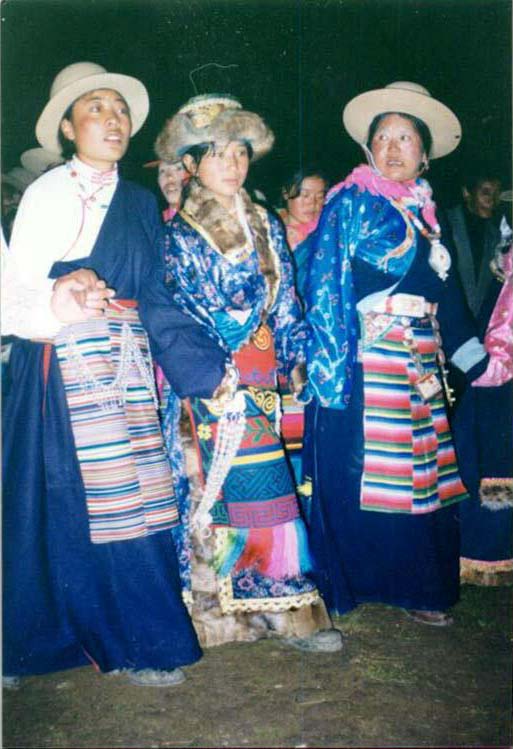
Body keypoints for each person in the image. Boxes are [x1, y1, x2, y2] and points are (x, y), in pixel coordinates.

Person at [2, 62, 230, 689]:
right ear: (68, 128)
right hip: (63, 367)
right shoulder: (49, 194)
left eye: (120, 110)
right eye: (95, 109)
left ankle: (140, 635)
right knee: (73, 502)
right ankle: (37, 643)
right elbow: (13, 294)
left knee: (140, 501)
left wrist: (203, 369)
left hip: (127, 365)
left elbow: (154, 297)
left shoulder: (139, 202)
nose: (113, 120)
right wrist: (61, 297)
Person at [153, 94, 341, 651]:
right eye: (217, 154)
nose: (232, 165)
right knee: (211, 496)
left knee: (271, 492)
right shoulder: (178, 234)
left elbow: (286, 302)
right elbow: (185, 309)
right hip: (214, 381)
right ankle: (217, 619)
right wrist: (220, 368)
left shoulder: (264, 221)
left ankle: (285, 612)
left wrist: (294, 359)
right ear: (191, 164)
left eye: (240, 153)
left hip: (262, 376)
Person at [301, 81, 493, 627]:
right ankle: (355, 584)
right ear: (368, 149)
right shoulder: (351, 203)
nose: (391, 147)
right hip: (366, 361)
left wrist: (473, 360)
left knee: (420, 473)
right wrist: (332, 373)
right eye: (382, 137)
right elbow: (324, 285)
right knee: (365, 472)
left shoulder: (426, 215)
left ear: (424, 152)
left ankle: (418, 586)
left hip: (421, 362)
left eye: (404, 137)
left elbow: (447, 298)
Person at [454, 222, 513, 585]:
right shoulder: (503, 263)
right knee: (484, 458)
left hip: (497, 376)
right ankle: (482, 553)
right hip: (493, 377)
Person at [276, 168, 329, 497]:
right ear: (286, 193)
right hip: (278, 344)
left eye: (321, 196)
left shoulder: (328, 236)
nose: (313, 203)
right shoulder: (269, 230)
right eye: (305, 195)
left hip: (316, 342)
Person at [443, 170, 503, 317]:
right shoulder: (445, 222)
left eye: (497, 194)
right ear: (467, 193)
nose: (492, 200)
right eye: (486, 192)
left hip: (475, 322)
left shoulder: (496, 236)